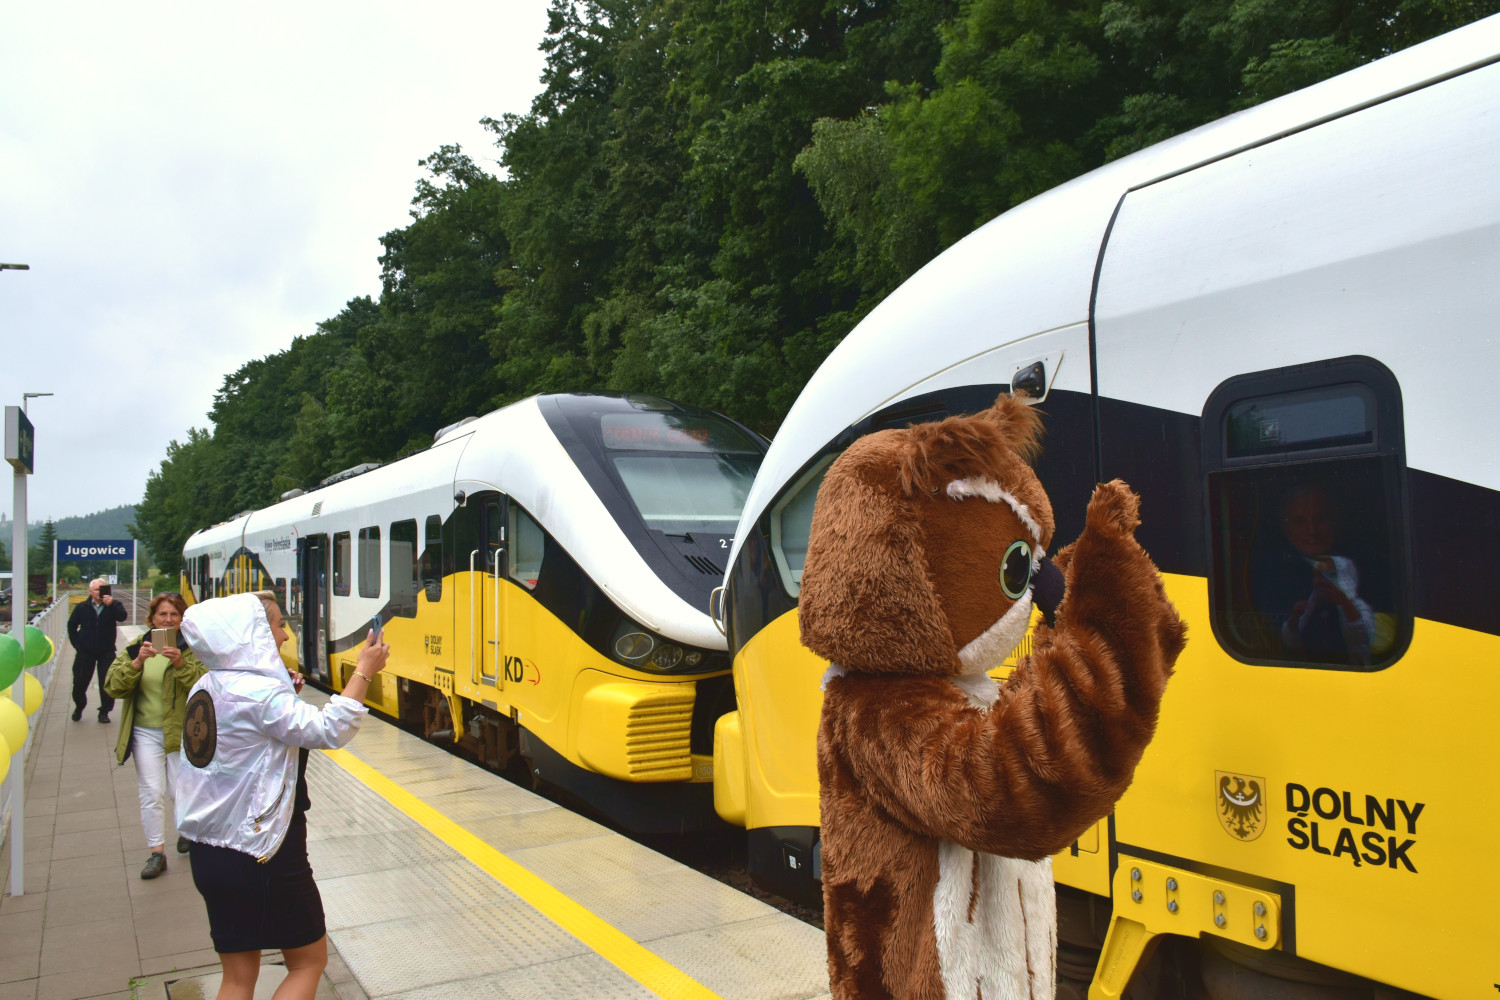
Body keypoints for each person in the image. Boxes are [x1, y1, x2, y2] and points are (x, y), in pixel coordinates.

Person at [175, 591, 388, 1000]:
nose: (285, 636)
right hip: (263, 851)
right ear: (250, 632)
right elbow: (330, 729)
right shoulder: (258, 695)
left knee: (237, 979)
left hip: (210, 852)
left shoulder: (205, 685)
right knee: (308, 963)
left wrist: (281, 692)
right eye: (276, 625)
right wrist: (363, 670)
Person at [104, 592, 207, 879]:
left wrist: (180, 665)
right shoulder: (136, 649)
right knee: (151, 791)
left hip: (182, 732)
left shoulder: (192, 649)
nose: (168, 619)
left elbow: (206, 687)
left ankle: (186, 832)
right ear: (152, 619)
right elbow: (113, 687)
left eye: (174, 614)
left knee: (179, 791)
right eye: (162, 614)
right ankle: (156, 853)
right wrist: (137, 663)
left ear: (182, 620)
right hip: (144, 732)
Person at [1253, 484, 1376, 665]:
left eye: (1320, 519)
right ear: (1285, 527)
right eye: (1300, 522)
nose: (1312, 531)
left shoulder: (1366, 567)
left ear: (1334, 521)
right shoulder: (1272, 576)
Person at [68, 578, 128, 722]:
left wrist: (112, 604)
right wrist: (78, 645)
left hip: (106, 651)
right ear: (90, 591)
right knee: (79, 683)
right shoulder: (82, 607)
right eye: (96, 589)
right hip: (85, 652)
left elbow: (122, 617)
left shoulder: (113, 605)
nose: (100, 592)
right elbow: (71, 626)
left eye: (102, 589)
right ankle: (79, 706)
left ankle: (104, 712)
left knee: (107, 683)